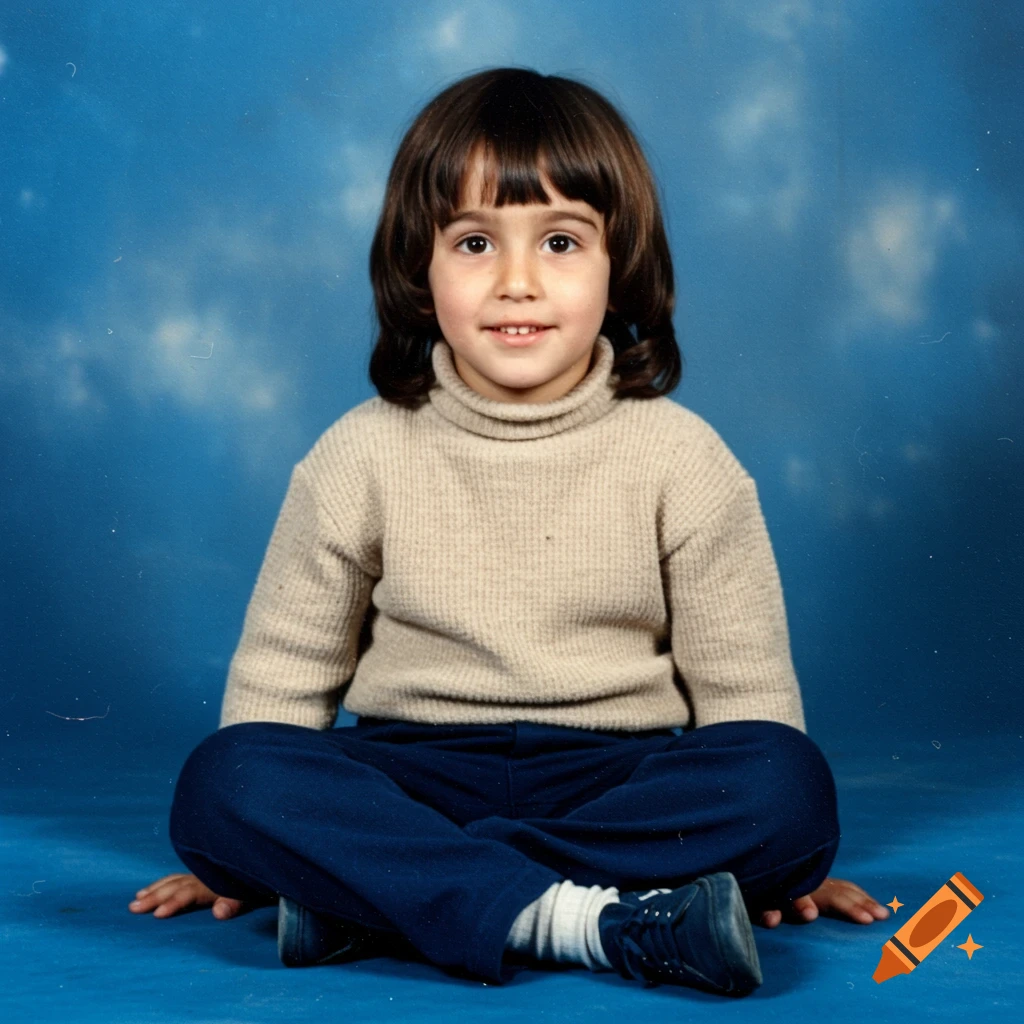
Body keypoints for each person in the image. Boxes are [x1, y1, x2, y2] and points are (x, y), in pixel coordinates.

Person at [128, 67, 890, 996]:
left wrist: (788, 855)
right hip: (413, 775)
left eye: (561, 241)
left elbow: (746, 688)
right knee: (228, 780)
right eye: (476, 241)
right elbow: (282, 679)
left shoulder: (684, 458)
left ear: (621, 269)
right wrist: (240, 844)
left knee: (785, 784)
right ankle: (595, 923)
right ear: (420, 267)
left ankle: (385, 894)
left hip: (619, 778)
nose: (517, 282)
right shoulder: (358, 454)